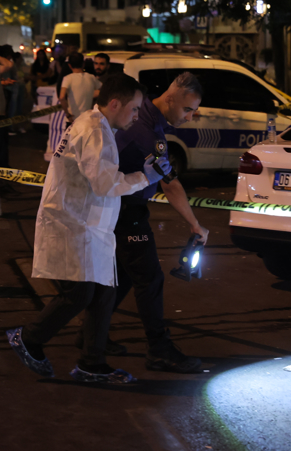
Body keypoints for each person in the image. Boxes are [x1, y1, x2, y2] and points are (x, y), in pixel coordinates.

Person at [7, 74, 171, 383]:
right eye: (134, 108)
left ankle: (92, 363)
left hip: (84, 225)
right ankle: (29, 338)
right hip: (73, 225)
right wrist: (146, 177)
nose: (137, 116)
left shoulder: (93, 124)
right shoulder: (95, 130)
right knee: (79, 294)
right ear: (114, 103)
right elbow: (104, 182)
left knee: (103, 293)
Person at [106, 72, 207, 373]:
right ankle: (159, 350)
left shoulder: (152, 122)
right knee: (150, 279)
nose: (191, 117)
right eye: (188, 109)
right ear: (171, 98)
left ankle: (91, 334)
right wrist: (195, 226)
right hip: (126, 209)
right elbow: (169, 184)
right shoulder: (147, 130)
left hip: (121, 206)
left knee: (124, 276)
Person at [60, 53, 101, 124]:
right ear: (83, 64)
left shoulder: (67, 78)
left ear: (69, 65)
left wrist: (67, 114)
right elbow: (103, 89)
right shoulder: (91, 77)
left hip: (73, 119)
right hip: (87, 119)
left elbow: (62, 97)